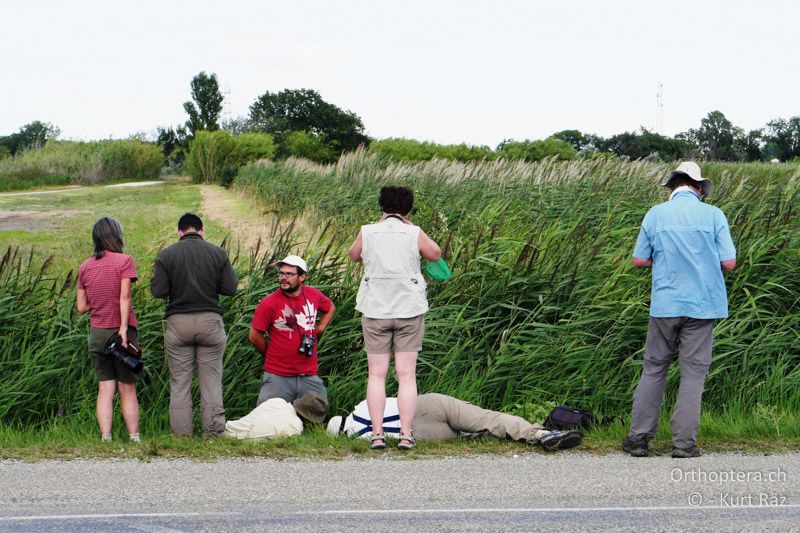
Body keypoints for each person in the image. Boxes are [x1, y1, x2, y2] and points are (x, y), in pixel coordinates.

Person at [622, 162, 736, 459]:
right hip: (702, 305)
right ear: (698, 187)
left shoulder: (655, 214)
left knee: (654, 368)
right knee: (694, 374)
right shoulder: (713, 215)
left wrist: (662, 261)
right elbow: (729, 263)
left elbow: (638, 260)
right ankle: (684, 444)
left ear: (673, 186)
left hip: (665, 304)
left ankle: (638, 439)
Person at [348, 185, 442, 451]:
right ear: (408, 209)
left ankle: (377, 435)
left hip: (375, 308)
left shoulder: (368, 231)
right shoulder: (413, 232)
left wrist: (375, 228)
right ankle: (405, 434)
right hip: (408, 309)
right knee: (407, 375)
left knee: (376, 375)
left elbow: (353, 255)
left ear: (382, 206)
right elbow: (435, 254)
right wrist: (415, 229)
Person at [150, 213, 239, 438]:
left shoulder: (166, 255)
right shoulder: (217, 253)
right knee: (211, 383)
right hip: (210, 321)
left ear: (179, 232)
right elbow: (230, 288)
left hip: (178, 323)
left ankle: (181, 437)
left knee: (180, 384)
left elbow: (158, 291)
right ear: (202, 231)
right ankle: (213, 434)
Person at [327, 393, 583, 452]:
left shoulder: (356, 438)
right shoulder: (361, 406)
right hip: (425, 404)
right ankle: (538, 433)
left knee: (473, 437)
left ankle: (509, 437)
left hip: (421, 433)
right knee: (486, 418)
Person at [76, 216, 141, 442]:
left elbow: (81, 307)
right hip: (121, 333)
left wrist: (99, 297)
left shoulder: (84, 267)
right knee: (127, 388)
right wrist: (123, 329)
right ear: (116, 236)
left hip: (97, 333)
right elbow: (125, 296)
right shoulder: (124, 261)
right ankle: (134, 437)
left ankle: (106, 437)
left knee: (105, 388)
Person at [248, 255, 335, 412]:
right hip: (278, 375)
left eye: (289, 274)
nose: (283, 278)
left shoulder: (313, 295)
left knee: (319, 415)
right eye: (281, 273)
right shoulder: (269, 302)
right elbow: (254, 336)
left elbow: (329, 308)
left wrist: (321, 328)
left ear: (302, 276)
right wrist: (269, 354)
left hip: (309, 374)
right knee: (267, 417)